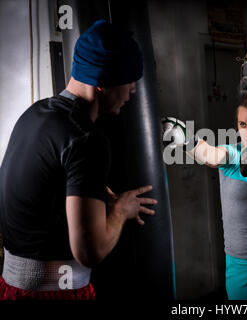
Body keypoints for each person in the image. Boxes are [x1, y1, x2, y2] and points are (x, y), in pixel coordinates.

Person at [0, 20, 157, 300]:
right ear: (103, 83)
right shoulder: (86, 138)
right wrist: (120, 210)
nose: (133, 90)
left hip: (12, 288)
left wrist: (93, 195)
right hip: (55, 293)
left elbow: (39, 195)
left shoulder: (34, 115)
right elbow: (89, 252)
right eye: (130, 79)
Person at [161, 91, 247, 300]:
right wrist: (186, 140)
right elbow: (209, 154)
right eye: (243, 125)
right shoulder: (233, 155)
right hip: (237, 265)